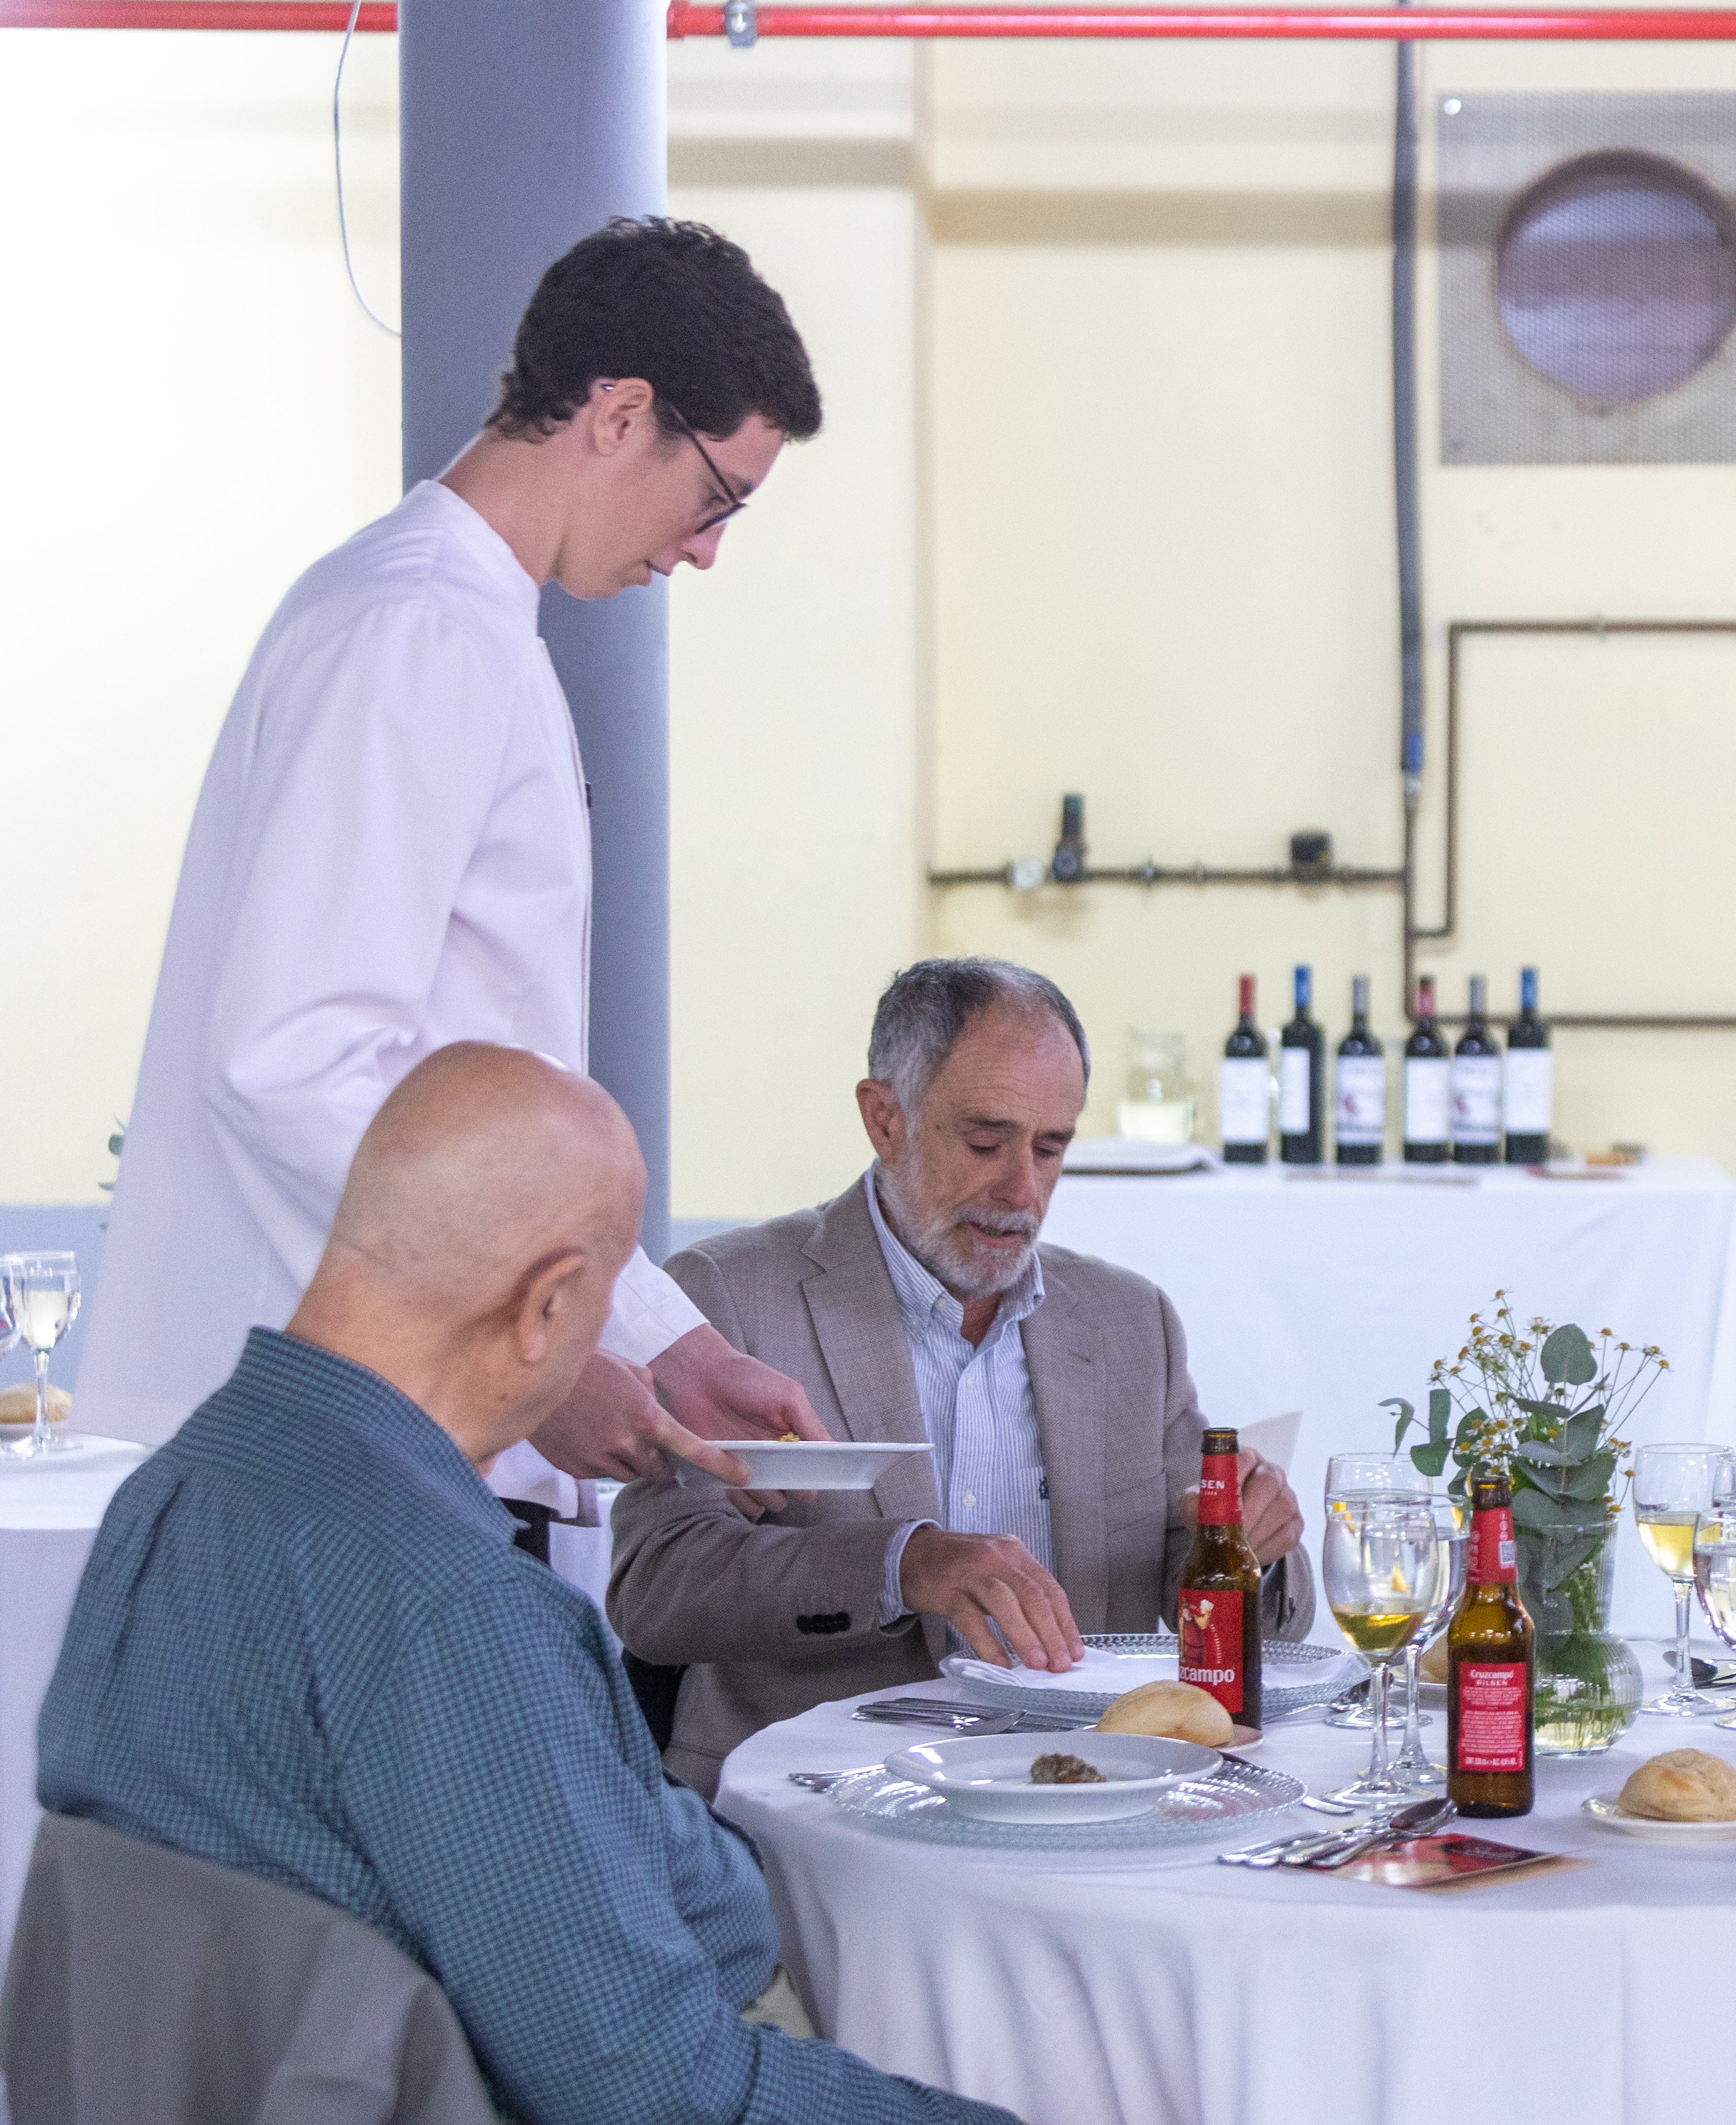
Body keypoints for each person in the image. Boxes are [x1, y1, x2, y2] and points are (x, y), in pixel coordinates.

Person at [36, 1044, 1016, 2125]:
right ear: (547, 1303)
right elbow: (657, 2095)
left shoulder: (179, 1487)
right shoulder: (451, 1609)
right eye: (602, 1303)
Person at [75, 217, 832, 1545]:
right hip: (348, 1453)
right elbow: (292, 1062)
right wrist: (527, 1361)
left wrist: (660, 1342)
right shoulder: (419, 628)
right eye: (716, 497)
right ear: (620, 413)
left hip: (388, 1437)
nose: (706, 549)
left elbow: (475, 1110)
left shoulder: (452, 622)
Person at [609, 958, 1313, 1791]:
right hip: (812, 1814)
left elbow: (1239, 1606)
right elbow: (655, 1593)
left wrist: (1246, 1548)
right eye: (985, 1142)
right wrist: (902, 1565)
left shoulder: (1130, 1323)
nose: (1021, 1189)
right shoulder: (729, 1297)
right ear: (883, 1119)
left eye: (1051, 1149)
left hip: (1083, 1801)